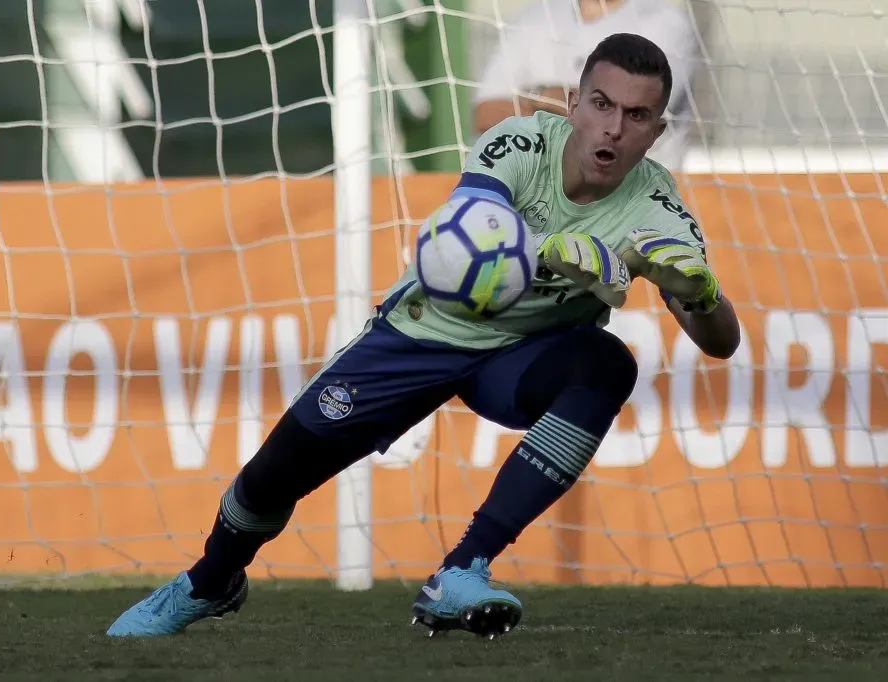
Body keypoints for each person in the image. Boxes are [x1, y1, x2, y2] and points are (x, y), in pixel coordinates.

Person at [106, 32, 739, 640]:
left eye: (636, 115)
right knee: (272, 479)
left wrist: (699, 294)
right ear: (572, 104)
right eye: (601, 105)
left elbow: (720, 342)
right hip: (423, 331)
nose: (613, 127)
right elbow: (468, 230)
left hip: (520, 357)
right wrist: (550, 248)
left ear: (657, 132)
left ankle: (463, 570)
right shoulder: (517, 142)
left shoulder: (659, 208)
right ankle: (208, 582)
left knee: (606, 365)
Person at [474, 0, 700, 171]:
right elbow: (486, 112)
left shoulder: (665, 22)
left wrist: (532, 98)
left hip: (633, 205)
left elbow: (622, 108)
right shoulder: (536, 15)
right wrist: (563, 101)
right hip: (537, 194)